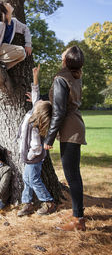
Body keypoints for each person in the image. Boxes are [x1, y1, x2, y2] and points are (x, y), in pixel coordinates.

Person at [44, 46, 87, 231]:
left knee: (72, 176)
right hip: (76, 124)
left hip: (70, 129)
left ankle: (78, 219)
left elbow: (59, 111)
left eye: (64, 53)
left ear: (66, 60)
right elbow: (61, 101)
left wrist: (49, 138)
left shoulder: (61, 78)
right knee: (74, 174)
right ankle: (78, 214)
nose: (62, 53)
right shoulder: (76, 76)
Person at [17, 65, 56, 217]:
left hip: (33, 158)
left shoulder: (35, 125)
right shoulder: (35, 111)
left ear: (40, 112)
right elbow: (35, 93)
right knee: (27, 179)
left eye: (40, 102)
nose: (39, 100)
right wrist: (35, 76)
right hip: (30, 157)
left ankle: (48, 202)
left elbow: (37, 147)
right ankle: (27, 203)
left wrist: (29, 156)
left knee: (32, 179)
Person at [0, 1, 32, 70]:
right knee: (20, 50)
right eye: (5, 4)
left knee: (22, 55)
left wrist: (28, 44)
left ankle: (4, 67)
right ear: (4, 13)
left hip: (4, 50)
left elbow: (25, 29)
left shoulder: (14, 22)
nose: (8, 3)